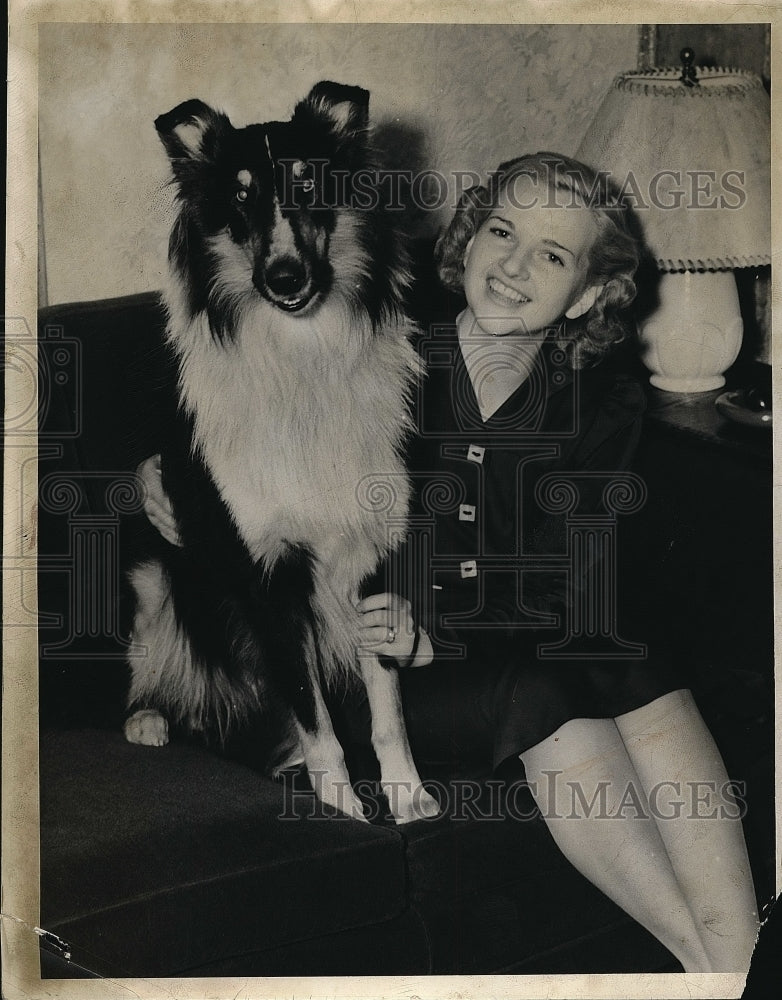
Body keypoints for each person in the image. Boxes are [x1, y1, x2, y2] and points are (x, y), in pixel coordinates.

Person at [139, 152, 758, 973]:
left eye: (552, 254)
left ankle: (736, 962)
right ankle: (719, 971)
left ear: (587, 294)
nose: (511, 265)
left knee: (629, 648)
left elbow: (560, 577)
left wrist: (436, 631)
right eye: (501, 230)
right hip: (355, 668)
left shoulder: (600, 399)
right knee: (543, 689)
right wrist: (169, 473)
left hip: (475, 638)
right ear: (467, 238)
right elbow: (233, 382)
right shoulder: (377, 337)